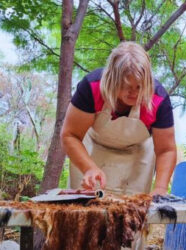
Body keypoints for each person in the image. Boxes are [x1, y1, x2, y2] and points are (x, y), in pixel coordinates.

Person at [61, 41, 177, 197]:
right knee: (84, 212)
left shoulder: (158, 99)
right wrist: (89, 168)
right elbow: (70, 135)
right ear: (113, 79)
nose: (134, 93)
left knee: (131, 215)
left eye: (139, 87)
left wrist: (161, 188)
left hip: (138, 156)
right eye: (126, 85)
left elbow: (166, 150)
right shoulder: (92, 87)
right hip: (93, 150)